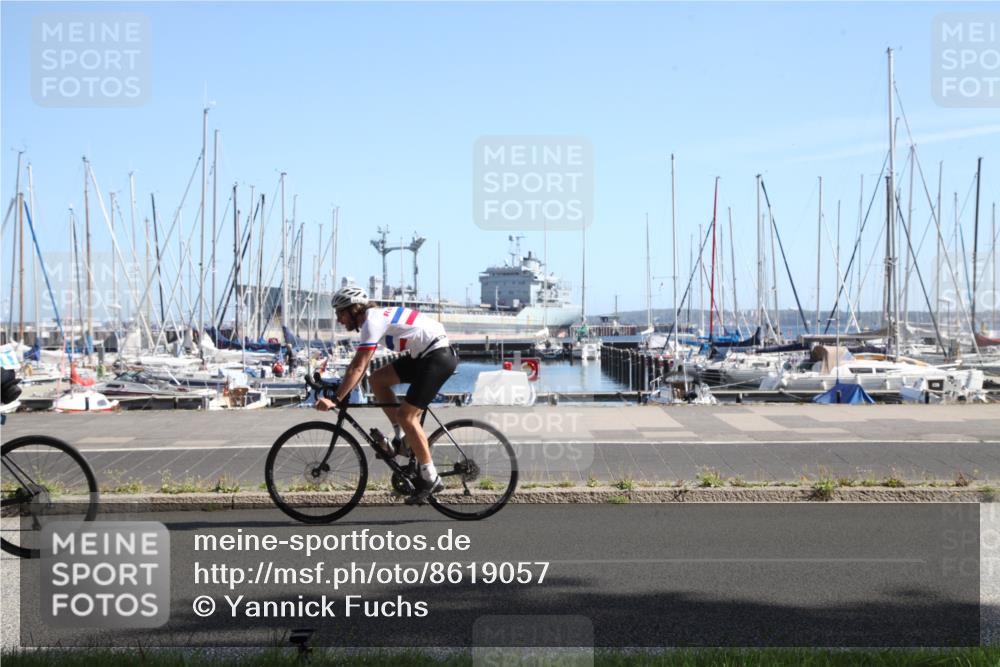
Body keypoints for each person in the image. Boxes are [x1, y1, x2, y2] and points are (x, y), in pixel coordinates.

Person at [315, 285, 458, 504]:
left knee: (406, 415)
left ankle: (431, 477)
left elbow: (358, 366)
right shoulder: (372, 319)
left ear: (354, 309)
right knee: (377, 380)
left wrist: (336, 399)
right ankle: (402, 439)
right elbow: (361, 370)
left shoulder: (371, 321)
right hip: (424, 355)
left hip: (437, 356)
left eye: (340, 313)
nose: (339, 320)